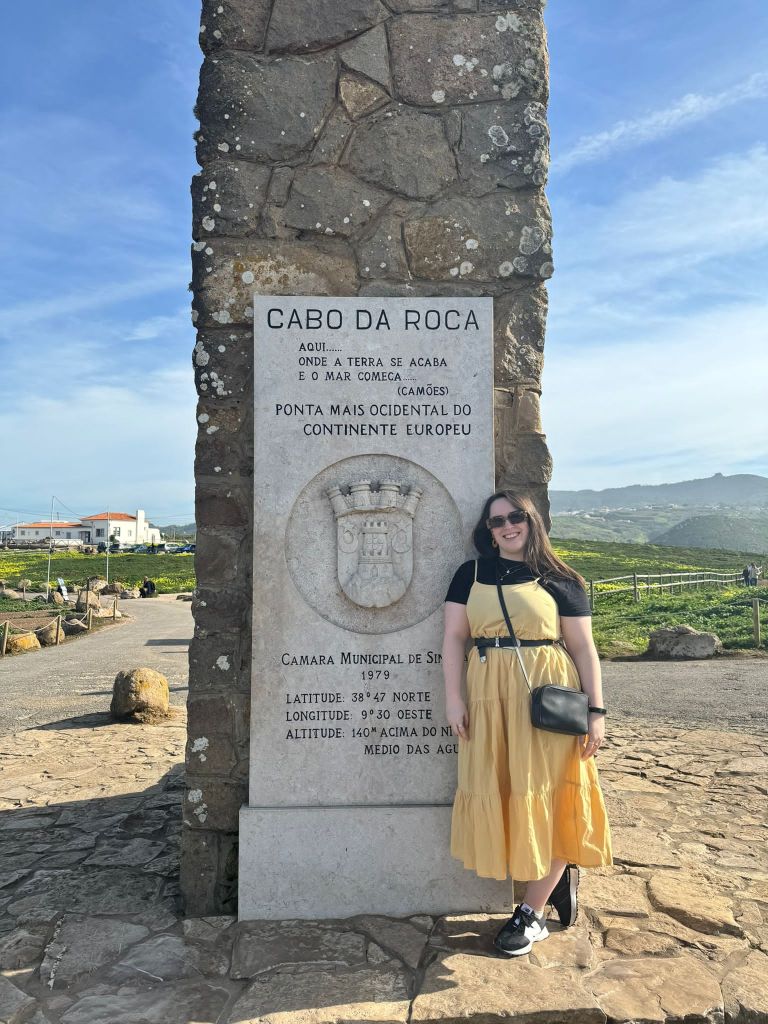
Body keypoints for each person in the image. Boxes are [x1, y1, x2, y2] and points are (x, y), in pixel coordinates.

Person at [443, 490, 612, 958]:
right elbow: (454, 639)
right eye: (496, 521)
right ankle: (554, 882)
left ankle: (531, 912)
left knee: (554, 794)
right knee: (506, 790)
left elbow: (583, 650)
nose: (507, 526)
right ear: (488, 531)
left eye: (516, 517)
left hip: (547, 700)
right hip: (488, 698)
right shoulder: (469, 575)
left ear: (532, 522)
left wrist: (595, 712)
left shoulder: (561, 579)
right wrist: (454, 699)